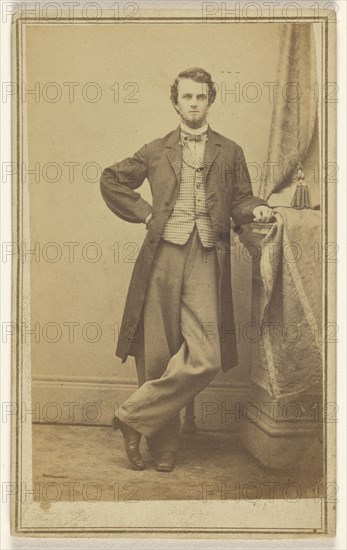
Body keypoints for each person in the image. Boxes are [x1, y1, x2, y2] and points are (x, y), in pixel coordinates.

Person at [100, 67, 274, 472]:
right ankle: (163, 447)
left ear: (210, 100)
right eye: (187, 97)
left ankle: (131, 417)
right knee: (157, 354)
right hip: (162, 254)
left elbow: (242, 199)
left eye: (201, 97)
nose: (194, 104)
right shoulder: (156, 149)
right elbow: (111, 180)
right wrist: (144, 214)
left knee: (205, 356)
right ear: (175, 102)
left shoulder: (229, 151)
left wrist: (257, 207)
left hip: (206, 254)